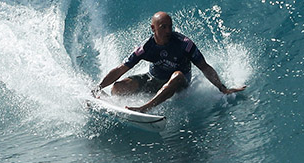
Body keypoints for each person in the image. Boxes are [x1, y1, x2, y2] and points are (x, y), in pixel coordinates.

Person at [94, 11, 246, 112]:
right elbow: (121, 68)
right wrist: (99, 87)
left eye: (170, 27)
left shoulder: (184, 44)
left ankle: (145, 108)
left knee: (178, 74)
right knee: (118, 88)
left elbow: (204, 67)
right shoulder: (146, 48)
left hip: (180, 84)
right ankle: (114, 103)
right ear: (153, 28)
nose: (168, 31)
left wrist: (222, 88)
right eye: (163, 27)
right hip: (154, 80)